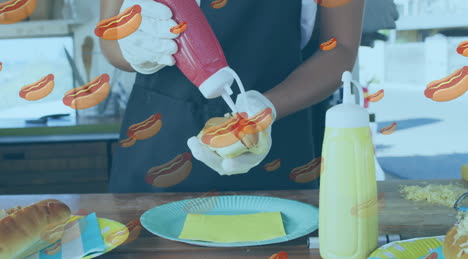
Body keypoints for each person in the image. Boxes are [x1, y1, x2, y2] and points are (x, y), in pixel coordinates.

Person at [101, 0, 365, 193]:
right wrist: (132, 48)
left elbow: (341, 46)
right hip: (157, 145)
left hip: (275, 139)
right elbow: (109, 39)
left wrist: (268, 109)